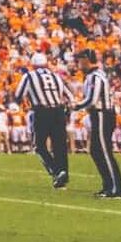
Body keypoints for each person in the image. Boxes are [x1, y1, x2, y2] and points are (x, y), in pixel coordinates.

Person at [16, 52, 75, 189]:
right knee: (60, 145)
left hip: (42, 111)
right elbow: (70, 96)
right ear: (46, 64)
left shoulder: (29, 76)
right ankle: (63, 175)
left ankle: (56, 171)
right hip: (58, 111)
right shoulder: (55, 76)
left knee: (39, 145)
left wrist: (22, 104)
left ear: (33, 65)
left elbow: (19, 94)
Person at [75, 50, 121, 199]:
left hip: (103, 114)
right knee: (96, 151)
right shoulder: (91, 76)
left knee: (104, 151)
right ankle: (108, 185)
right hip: (97, 115)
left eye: (80, 60)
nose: (79, 64)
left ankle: (117, 189)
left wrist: (75, 106)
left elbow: (92, 99)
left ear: (86, 60)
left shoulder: (96, 76)